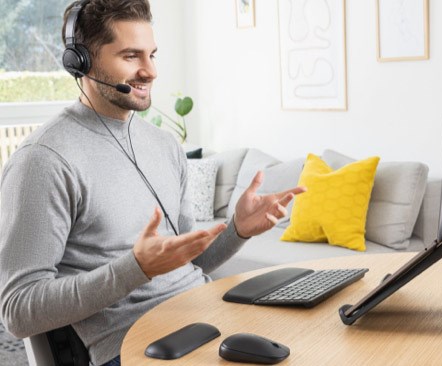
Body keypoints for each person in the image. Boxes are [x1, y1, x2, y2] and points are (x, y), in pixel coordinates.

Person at [0, 1, 305, 365]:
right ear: (79, 61)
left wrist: (239, 229)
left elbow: (191, 262)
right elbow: (19, 311)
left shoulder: (163, 145)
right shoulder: (44, 159)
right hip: (134, 346)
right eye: (131, 56)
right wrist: (135, 269)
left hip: (209, 320)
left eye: (153, 55)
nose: (150, 71)